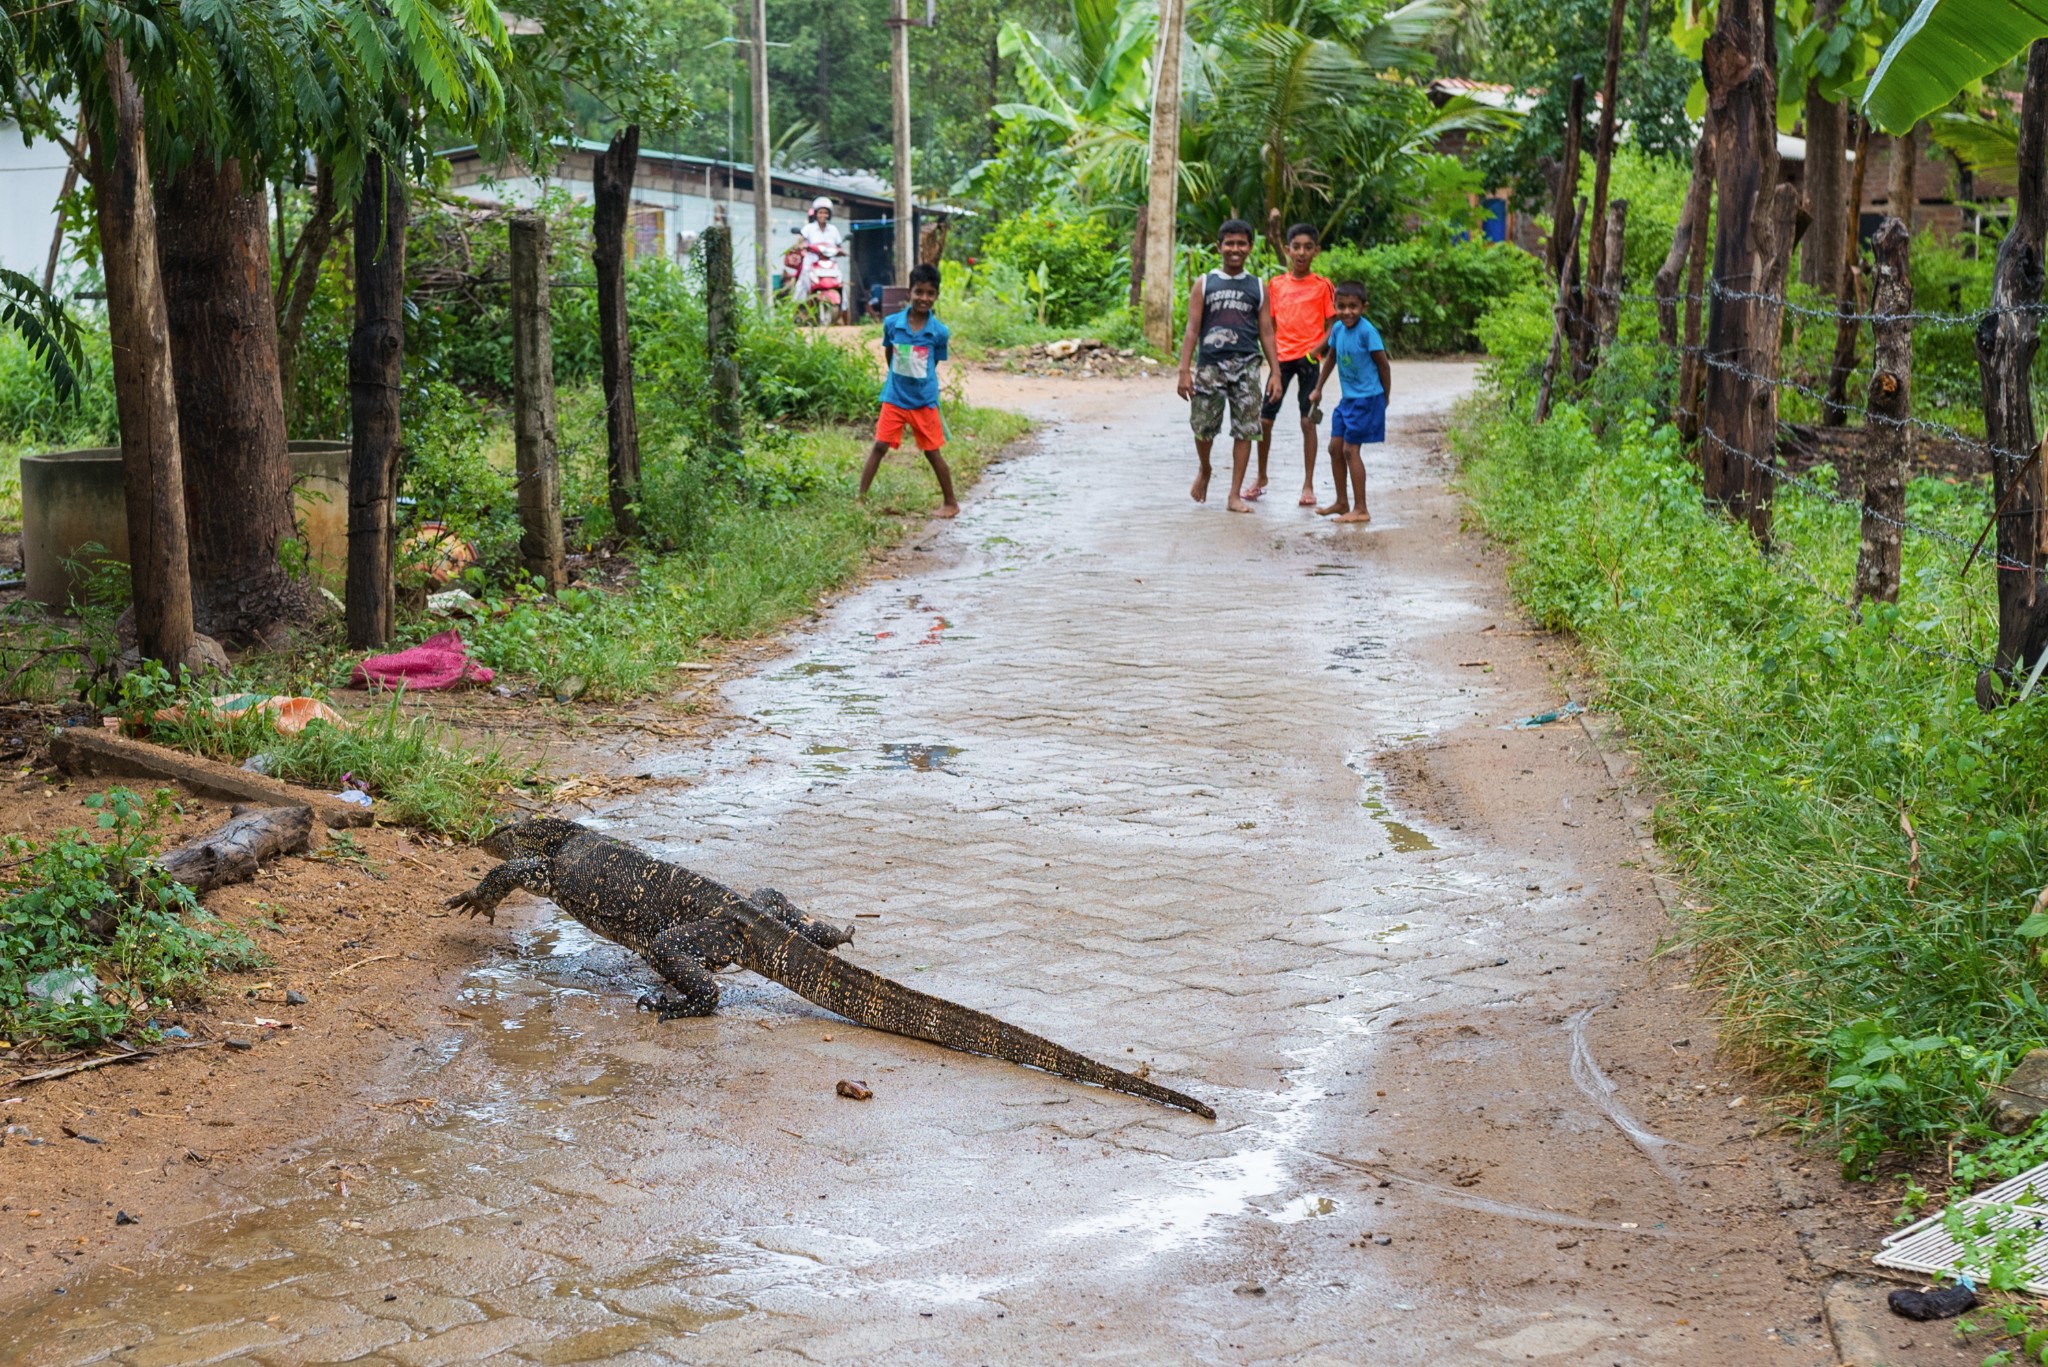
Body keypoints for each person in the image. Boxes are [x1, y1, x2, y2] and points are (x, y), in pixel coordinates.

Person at [1176, 219, 1281, 514]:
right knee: (1203, 428)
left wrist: (1276, 371)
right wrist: (1185, 370)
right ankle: (1205, 468)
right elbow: (1192, 329)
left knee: (1246, 430)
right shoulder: (1205, 283)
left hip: (1247, 365)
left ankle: (1234, 495)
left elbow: (1267, 332)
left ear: (1250, 247)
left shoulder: (1257, 287)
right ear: (1219, 246)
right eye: (1229, 243)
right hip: (1210, 366)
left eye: (1241, 243)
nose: (1235, 249)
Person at [857, 263, 960, 518]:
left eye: (930, 293)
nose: (924, 298)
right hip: (894, 397)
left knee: (932, 452)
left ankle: (951, 502)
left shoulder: (939, 332)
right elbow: (889, 354)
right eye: (919, 292)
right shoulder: (892, 324)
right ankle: (860, 498)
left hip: (924, 401)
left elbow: (932, 364)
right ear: (909, 292)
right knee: (879, 445)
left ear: (936, 296)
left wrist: (919, 385)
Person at [1248, 223, 1335, 507]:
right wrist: (1272, 363)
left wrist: (1316, 350)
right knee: (1264, 420)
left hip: (1309, 360)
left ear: (1316, 251)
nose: (1301, 252)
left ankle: (1308, 485)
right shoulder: (1276, 285)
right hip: (1281, 360)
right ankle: (1261, 477)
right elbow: (1268, 327)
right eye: (1296, 247)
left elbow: (1333, 325)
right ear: (1287, 250)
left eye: (1308, 247)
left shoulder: (1323, 286)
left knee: (1307, 421)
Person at [1306, 280, 1390, 525]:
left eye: (1353, 306)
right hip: (1348, 401)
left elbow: (1383, 364)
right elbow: (1331, 357)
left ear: (1364, 307)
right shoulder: (1339, 330)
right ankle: (1342, 502)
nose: (1347, 312)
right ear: (1335, 307)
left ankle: (1361, 508)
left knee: (1350, 450)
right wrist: (1318, 388)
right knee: (1334, 448)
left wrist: (1385, 395)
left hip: (1366, 399)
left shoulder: (1367, 332)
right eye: (1341, 306)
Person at [794, 197, 845, 303]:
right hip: (811, 262)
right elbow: (799, 241)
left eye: (826, 213)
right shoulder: (808, 228)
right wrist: (801, 245)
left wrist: (841, 251)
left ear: (829, 214)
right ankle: (798, 306)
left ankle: (844, 308)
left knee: (841, 281)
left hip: (829, 263)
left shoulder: (833, 229)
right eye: (820, 212)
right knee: (802, 284)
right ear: (816, 214)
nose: (823, 215)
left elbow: (839, 246)